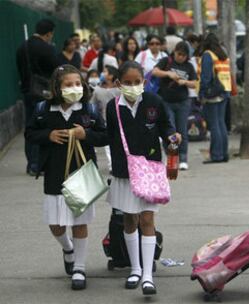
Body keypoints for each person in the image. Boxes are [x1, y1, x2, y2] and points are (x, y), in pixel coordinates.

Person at [25, 65, 107, 290]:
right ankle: (68, 248)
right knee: (56, 224)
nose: (74, 88)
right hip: (54, 174)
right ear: (57, 88)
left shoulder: (88, 110)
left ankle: (79, 267)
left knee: (80, 222)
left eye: (78, 84)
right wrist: (48, 135)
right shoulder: (44, 109)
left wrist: (86, 134)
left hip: (81, 173)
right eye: (68, 85)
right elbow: (30, 133)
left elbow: (105, 136)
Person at [105, 61, 181, 295]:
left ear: (144, 82)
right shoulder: (112, 107)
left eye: (136, 82)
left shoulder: (153, 102)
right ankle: (135, 268)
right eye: (126, 83)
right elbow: (108, 136)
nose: (132, 86)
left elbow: (167, 127)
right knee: (130, 220)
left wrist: (172, 138)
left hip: (149, 170)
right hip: (125, 171)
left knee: (147, 220)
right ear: (118, 84)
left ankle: (148, 275)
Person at [16, 18, 59, 176]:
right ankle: (40, 163)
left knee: (30, 126)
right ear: (48, 34)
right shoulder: (47, 49)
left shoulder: (22, 47)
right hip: (44, 93)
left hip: (28, 91)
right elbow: (56, 69)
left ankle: (32, 163)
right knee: (44, 127)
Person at [152, 41, 197, 170]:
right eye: (179, 54)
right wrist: (168, 74)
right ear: (175, 52)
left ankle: (183, 158)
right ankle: (170, 156)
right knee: (169, 130)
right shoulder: (167, 61)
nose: (180, 57)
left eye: (183, 55)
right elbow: (155, 72)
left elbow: (194, 83)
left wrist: (185, 82)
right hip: (166, 101)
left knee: (182, 130)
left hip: (183, 102)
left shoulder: (189, 66)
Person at [199, 33, 231, 164]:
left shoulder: (208, 55)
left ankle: (216, 155)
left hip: (212, 92)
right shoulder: (223, 54)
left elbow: (206, 77)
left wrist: (202, 93)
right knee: (221, 123)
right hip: (224, 91)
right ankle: (224, 154)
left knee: (214, 125)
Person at [90, 65, 121, 171]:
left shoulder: (119, 90)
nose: (103, 73)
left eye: (105, 71)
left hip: (118, 119)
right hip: (104, 120)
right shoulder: (98, 90)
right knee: (108, 144)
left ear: (111, 75)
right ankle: (112, 165)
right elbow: (92, 104)